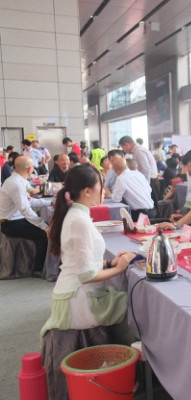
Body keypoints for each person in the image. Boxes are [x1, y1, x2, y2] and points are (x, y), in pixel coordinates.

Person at [41, 165, 136, 400]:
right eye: (101, 187)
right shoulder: (80, 221)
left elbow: (83, 262)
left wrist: (110, 263)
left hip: (76, 293)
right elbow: (85, 275)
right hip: (79, 298)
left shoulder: (77, 215)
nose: (104, 191)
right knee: (133, 307)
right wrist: (119, 268)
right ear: (87, 191)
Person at [0, 156, 52, 271]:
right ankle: (37, 268)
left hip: (18, 220)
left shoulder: (18, 181)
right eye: (33, 166)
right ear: (29, 169)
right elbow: (26, 209)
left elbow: (30, 201)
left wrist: (50, 203)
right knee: (44, 235)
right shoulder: (15, 184)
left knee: (50, 226)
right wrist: (44, 227)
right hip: (10, 224)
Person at [109, 156, 156, 221]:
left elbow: (116, 199)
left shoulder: (121, 178)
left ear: (115, 170)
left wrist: (110, 195)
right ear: (126, 165)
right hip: (153, 210)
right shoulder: (138, 174)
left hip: (139, 214)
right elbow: (149, 190)